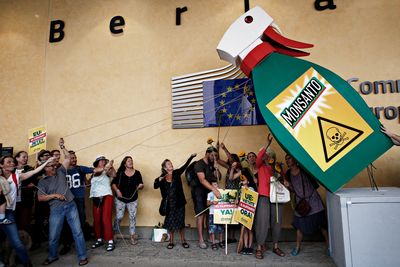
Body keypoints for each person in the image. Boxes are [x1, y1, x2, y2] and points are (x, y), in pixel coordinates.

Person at [37, 138, 88, 266]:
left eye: (53, 165)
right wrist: (54, 195)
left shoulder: (60, 171)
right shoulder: (42, 182)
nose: (54, 166)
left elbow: (67, 158)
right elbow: (40, 198)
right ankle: (52, 256)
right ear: (45, 169)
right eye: (50, 166)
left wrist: (62, 146)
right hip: (56, 209)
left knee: (78, 232)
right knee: (54, 235)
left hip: (71, 206)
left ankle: (82, 256)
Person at [0, 154, 53, 267]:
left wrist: (46, 161)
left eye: (12, 162)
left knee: (17, 242)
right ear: (1, 165)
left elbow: (34, 172)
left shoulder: (17, 177)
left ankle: (27, 263)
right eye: (8, 162)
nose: (12, 163)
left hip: (8, 213)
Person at [284, 154, 329, 256]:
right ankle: (297, 247)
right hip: (301, 203)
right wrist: (288, 185)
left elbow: (315, 178)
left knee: (322, 225)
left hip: (313, 200)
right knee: (299, 226)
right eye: (286, 159)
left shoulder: (304, 169)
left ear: (295, 159)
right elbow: (292, 190)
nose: (288, 160)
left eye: (290, 158)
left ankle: (328, 246)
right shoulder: (288, 174)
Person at [154, 153, 196, 249]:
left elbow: (185, 166)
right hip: (169, 204)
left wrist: (191, 157)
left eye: (171, 163)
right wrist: (158, 179)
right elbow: (155, 186)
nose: (171, 164)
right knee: (171, 223)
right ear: (165, 168)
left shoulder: (176, 173)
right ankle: (171, 241)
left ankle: (183, 241)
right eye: (168, 164)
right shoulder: (162, 178)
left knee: (181, 223)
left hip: (179, 203)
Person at [254, 133, 285, 259]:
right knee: (262, 222)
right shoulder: (260, 166)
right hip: (264, 197)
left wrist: (282, 177)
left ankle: (275, 246)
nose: (266, 156)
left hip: (277, 198)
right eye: (265, 154)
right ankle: (259, 247)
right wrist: (267, 144)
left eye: (268, 154)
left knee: (277, 222)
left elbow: (282, 181)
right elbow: (258, 158)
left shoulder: (276, 167)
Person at [59, 150, 94, 255]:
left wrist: (103, 168)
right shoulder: (61, 170)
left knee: (81, 220)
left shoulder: (80, 169)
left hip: (79, 199)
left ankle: (79, 243)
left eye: (75, 158)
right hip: (66, 199)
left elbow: (93, 171)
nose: (74, 160)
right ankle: (66, 244)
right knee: (66, 222)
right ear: (67, 159)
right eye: (72, 158)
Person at [192, 146, 221, 249]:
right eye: (212, 155)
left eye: (216, 156)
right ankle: (201, 240)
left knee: (209, 214)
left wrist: (217, 170)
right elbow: (202, 180)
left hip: (208, 192)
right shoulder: (199, 164)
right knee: (201, 215)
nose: (214, 157)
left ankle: (210, 237)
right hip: (198, 192)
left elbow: (217, 178)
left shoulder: (212, 164)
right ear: (207, 154)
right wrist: (214, 190)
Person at [112, 156, 144, 245]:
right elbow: (113, 183)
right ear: (124, 163)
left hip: (133, 199)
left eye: (131, 161)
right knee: (119, 217)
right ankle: (114, 232)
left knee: (132, 217)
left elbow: (141, 185)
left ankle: (132, 236)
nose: (130, 162)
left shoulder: (137, 173)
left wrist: (140, 186)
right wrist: (117, 191)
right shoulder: (120, 173)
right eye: (128, 161)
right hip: (120, 199)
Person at [89, 155, 116, 251]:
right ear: (97, 162)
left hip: (106, 195)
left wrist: (111, 166)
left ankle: (110, 240)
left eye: (104, 161)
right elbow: (90, 182)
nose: (103, 162)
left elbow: (114, 175)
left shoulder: (107, 171)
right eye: (101, 161)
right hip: (95, 196)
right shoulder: (94, 171)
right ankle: (99, 239)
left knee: (106, 218)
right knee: (96, 219)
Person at [14, 151, 35, 232]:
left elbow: (35, 183)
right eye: (24, 157)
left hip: (26, 200)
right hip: (13, 201)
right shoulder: (12, 170)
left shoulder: (30, 169)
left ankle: (26, 241)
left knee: (25, 222)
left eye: (27, 157)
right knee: (15, 222)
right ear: (17, 158)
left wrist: (32, 185)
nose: (26, 158)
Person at [237, 175, 255, 255]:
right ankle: (245, 246)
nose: (243, 180)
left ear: (248, 182)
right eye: (242, 180)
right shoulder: (240, 190)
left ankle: (250, 247)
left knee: (249, 230)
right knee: (244, 230)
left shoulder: (251, 189)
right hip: (242, 212)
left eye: (245, 179)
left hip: (250, 212)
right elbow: (238, 200)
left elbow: (253, 198)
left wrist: (246, 189)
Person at [206, 178, 225, 251]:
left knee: (221, 229)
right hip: (212, 213)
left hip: (220, 213)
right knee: (213, 229)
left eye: (216, 184)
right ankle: (213, 242)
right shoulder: (210, 194)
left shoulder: (221, 193)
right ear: (211, 186)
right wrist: (212, 202)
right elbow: (207, 203)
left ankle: (220, 241)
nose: (216, 186)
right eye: (214, 185)